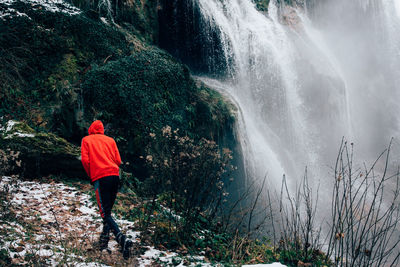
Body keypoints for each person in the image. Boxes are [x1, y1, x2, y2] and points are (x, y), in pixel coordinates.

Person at [81, 120, 132, 259]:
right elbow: (118, 161)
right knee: (108, 211)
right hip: (114, 176)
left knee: (105, 213)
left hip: (100, 177)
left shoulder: (86, 140)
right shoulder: (111, 141)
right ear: (102, 129)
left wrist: (91, 174)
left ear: (91, 129)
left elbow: (85, 161)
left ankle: (121, 238)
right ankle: (103, 244)